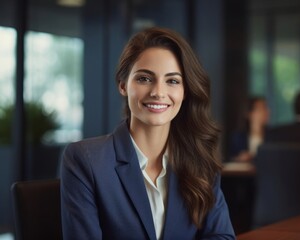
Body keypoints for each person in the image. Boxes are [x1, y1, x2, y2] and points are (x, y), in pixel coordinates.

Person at [60, 27, 235, 239]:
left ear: (185, 91)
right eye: (144, 78)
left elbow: (222, 236)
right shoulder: (86, 160)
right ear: (123, 85)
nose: (158, 92)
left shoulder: (200, 160)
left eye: (172, 81)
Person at [229, 97, 270, 162]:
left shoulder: (273, 136)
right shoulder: (238, 137)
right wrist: (240, 158)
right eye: (261, 109)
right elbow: (229, 159)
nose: (266, 112)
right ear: (249, 113)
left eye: (266, 108)